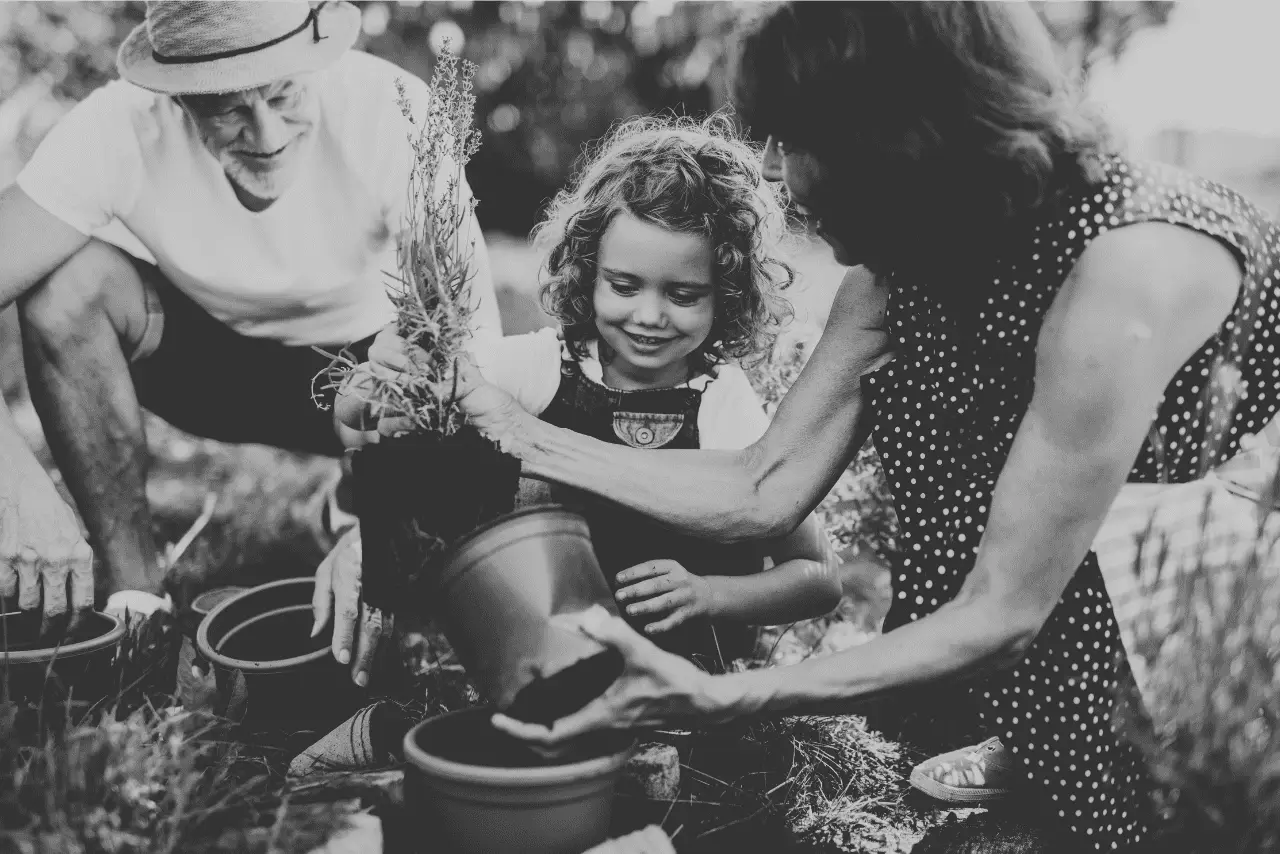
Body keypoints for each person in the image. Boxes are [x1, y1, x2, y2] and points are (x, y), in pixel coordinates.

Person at [421, 4, 1280, 851]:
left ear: (907, 142)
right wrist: (516, 431)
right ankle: (1028, 739)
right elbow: (764, 486)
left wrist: (721, 697)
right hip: (1035, 610)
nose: (788, 181)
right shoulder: (908, 260)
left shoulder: (1122, 277)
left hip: (1191, 609)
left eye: (806, 144)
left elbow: (1000, 612)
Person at [0, 0, 501, 645]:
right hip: (211, 368)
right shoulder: (115, 126)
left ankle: (359, 498)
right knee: (66, 286)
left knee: (426, 401)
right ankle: (135, 603)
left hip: (369, 381)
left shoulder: (391, 110)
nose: (266, 135)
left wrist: (388, 513)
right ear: (178, 98)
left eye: (283, 93)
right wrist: (14, 483)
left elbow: (471, 355)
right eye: (227, 108)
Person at [321, 116, 842, 673]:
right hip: (533, 661)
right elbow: (362, 418)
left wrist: (711, 594)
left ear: (728, 294)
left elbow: (818, 579)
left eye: (683, 294)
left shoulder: (724, 405)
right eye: (623, 286)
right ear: (588, 273)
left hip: (679, 679)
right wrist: (376, 378)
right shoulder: (544, 366)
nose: (648, 316)